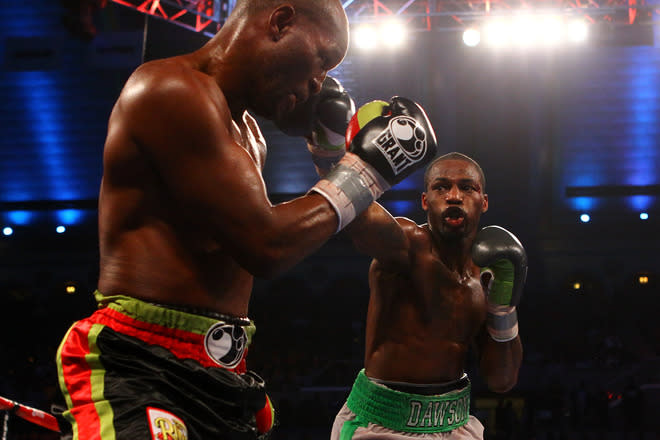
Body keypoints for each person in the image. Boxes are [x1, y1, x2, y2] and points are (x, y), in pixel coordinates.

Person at [53, 1, 440, 438]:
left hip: (226, 374)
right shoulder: (170, 89)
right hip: (143, 364)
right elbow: (267, 245)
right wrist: (366, 170)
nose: (319, 83)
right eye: (321, 60)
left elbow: (370, 235)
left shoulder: (250, 135)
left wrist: (332, 154)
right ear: (281, 21)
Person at [323, 150, 527, 440]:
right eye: (441, 187)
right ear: (425, 201)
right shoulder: (408, 245)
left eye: (467, 187)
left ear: (484, 202)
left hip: (455, 424)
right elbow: (359, 219)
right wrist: (329, 153)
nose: (454, 196)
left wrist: (504, 307)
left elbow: (502, 380)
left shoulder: (488, 276)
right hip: (382, 423)